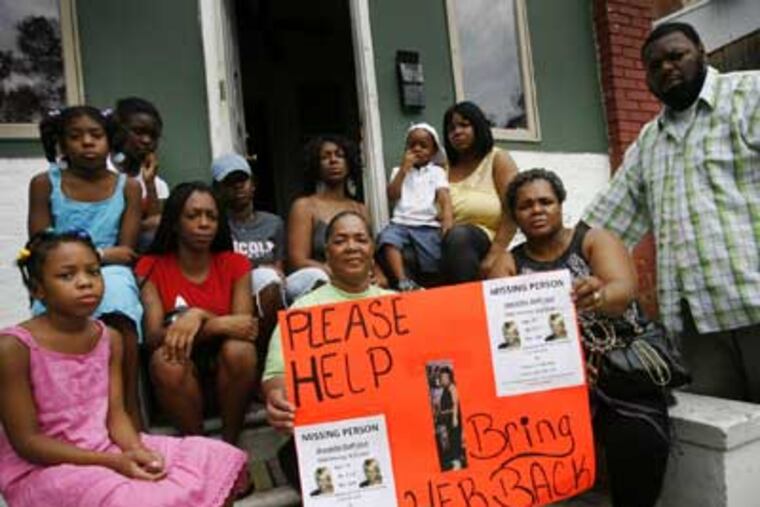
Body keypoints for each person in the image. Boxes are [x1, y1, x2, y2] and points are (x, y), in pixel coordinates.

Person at [0, 230, 247, 507]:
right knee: (130, 499)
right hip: (45, 467)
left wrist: (137, 451)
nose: (85, 283)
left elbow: (115, 415)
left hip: (107, 447)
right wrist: (114, 461)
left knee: (215, 458)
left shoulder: (110, 338)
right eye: (67, 276)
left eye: (93, 272)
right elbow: (27, 442)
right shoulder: (14, 347)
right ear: (37, 289)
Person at [583, 22, 760, 403]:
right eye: (654, 64)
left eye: (676, 56)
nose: (666, 67)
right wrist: (535, 267)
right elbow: (603, 223)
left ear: (702, 52)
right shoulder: (649, 142)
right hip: (696, 325)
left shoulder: (750, 94)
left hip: (755, 300)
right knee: (721, 442)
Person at [497, 169, 670, 507]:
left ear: (561, 205)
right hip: (551, 381)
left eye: (545, 201)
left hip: (616, 369)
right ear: (515, 216)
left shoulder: (592, 240)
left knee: (639, 440)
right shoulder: (510, 262)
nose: (536, 210)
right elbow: (499, 321)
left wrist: (599, 296)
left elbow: (623, 289)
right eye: (525, 206)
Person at [29, 105, 144, 429]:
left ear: (110, 140)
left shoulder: (129, 187)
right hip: (58, 271)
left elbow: (127, 251)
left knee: (119, 296)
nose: (87, 143)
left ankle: (127, 406)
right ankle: (64, 414)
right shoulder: (44, 184)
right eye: (75, 136)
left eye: (96, 135)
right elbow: (39, 246)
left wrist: (99, 260)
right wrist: (101, 255)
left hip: (109, 273)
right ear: (61, 144)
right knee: (58, 295)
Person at [263, 211, 394, 487]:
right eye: (340, 240)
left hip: (393, 430)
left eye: (360, 239)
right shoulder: (303, 312)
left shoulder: (398, 306)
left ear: (372, 250)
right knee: (292, 457)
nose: (352, 247)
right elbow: (276, 377)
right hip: (335, 440)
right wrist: (278, 399)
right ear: (327, 254)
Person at [135, 182, 257, 445]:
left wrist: (198, 316)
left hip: (229, 376)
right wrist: (214, 326)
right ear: (175, 223)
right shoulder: (151, 266)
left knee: (240, 349)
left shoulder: (235, 264)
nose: (204, 223)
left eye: (211, 216)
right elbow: (153, 337)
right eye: (193, 216)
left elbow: (245, 327)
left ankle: (230, 446)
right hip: (178, 381)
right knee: (165, 360)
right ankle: (202, 450)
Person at [287, 135, 386, 301]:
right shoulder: (304, 206)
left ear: (349, 163)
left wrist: (379, 276)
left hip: (354, 283)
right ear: (316, 165)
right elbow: (298, 260)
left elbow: (369, 254)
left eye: (340, 155)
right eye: (325, 157)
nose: (333, 161)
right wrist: (341, 275)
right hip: (315, 284)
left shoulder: (360, 209)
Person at [211, 153, 286, 367]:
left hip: (273, 287)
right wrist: (260, 269)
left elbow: (279, 268)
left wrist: (271, 272)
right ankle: (264, 363)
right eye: (229, 183)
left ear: (253, 184)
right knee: (267, 277)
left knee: (313, 278)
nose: (238, 187)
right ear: (217, 189)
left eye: (242, 180)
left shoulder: (273, 223)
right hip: (236, 290)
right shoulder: (216, 225)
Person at [440, 101, 519, 283]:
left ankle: (467, 306)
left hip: (483, 241)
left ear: (478, 126)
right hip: (443, 244)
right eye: (451, 129)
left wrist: (494, 255)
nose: (457, 132)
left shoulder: (497, 159)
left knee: (459, 237)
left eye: (464, 125)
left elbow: (513, 212)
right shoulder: (442, 169)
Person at [377, 122, 453, 291]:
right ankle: (402, 279)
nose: (417, 149)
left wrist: (448, 218)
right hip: (401, 222)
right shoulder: (399, 170)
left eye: (423, 146)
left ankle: (430, 286)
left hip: (426, 224)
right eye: (412, 145)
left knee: (432, 259)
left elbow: (444, 196)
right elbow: (392, 195)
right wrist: (404, 169)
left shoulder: (436, 172)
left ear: (433, 152)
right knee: (388, 240)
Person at [111, 97, 170, 250]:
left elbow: (156, 230)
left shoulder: (158, 184)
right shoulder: (103, 171)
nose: (146, 140)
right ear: (119, 131)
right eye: (138, 132)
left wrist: (150, 184)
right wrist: (143, 225)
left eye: (153, 135)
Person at [436, 366, 464, 471]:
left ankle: (457, 463)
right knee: (451, 440)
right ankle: (455, 461)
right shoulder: (445, 389)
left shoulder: (452, 387)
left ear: (450, 378)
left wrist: (455, 418)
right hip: (449, 419)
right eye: (442, 378)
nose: (443, 380)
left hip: (453, 419)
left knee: (455, 440)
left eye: (445, 377)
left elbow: (455, 403)